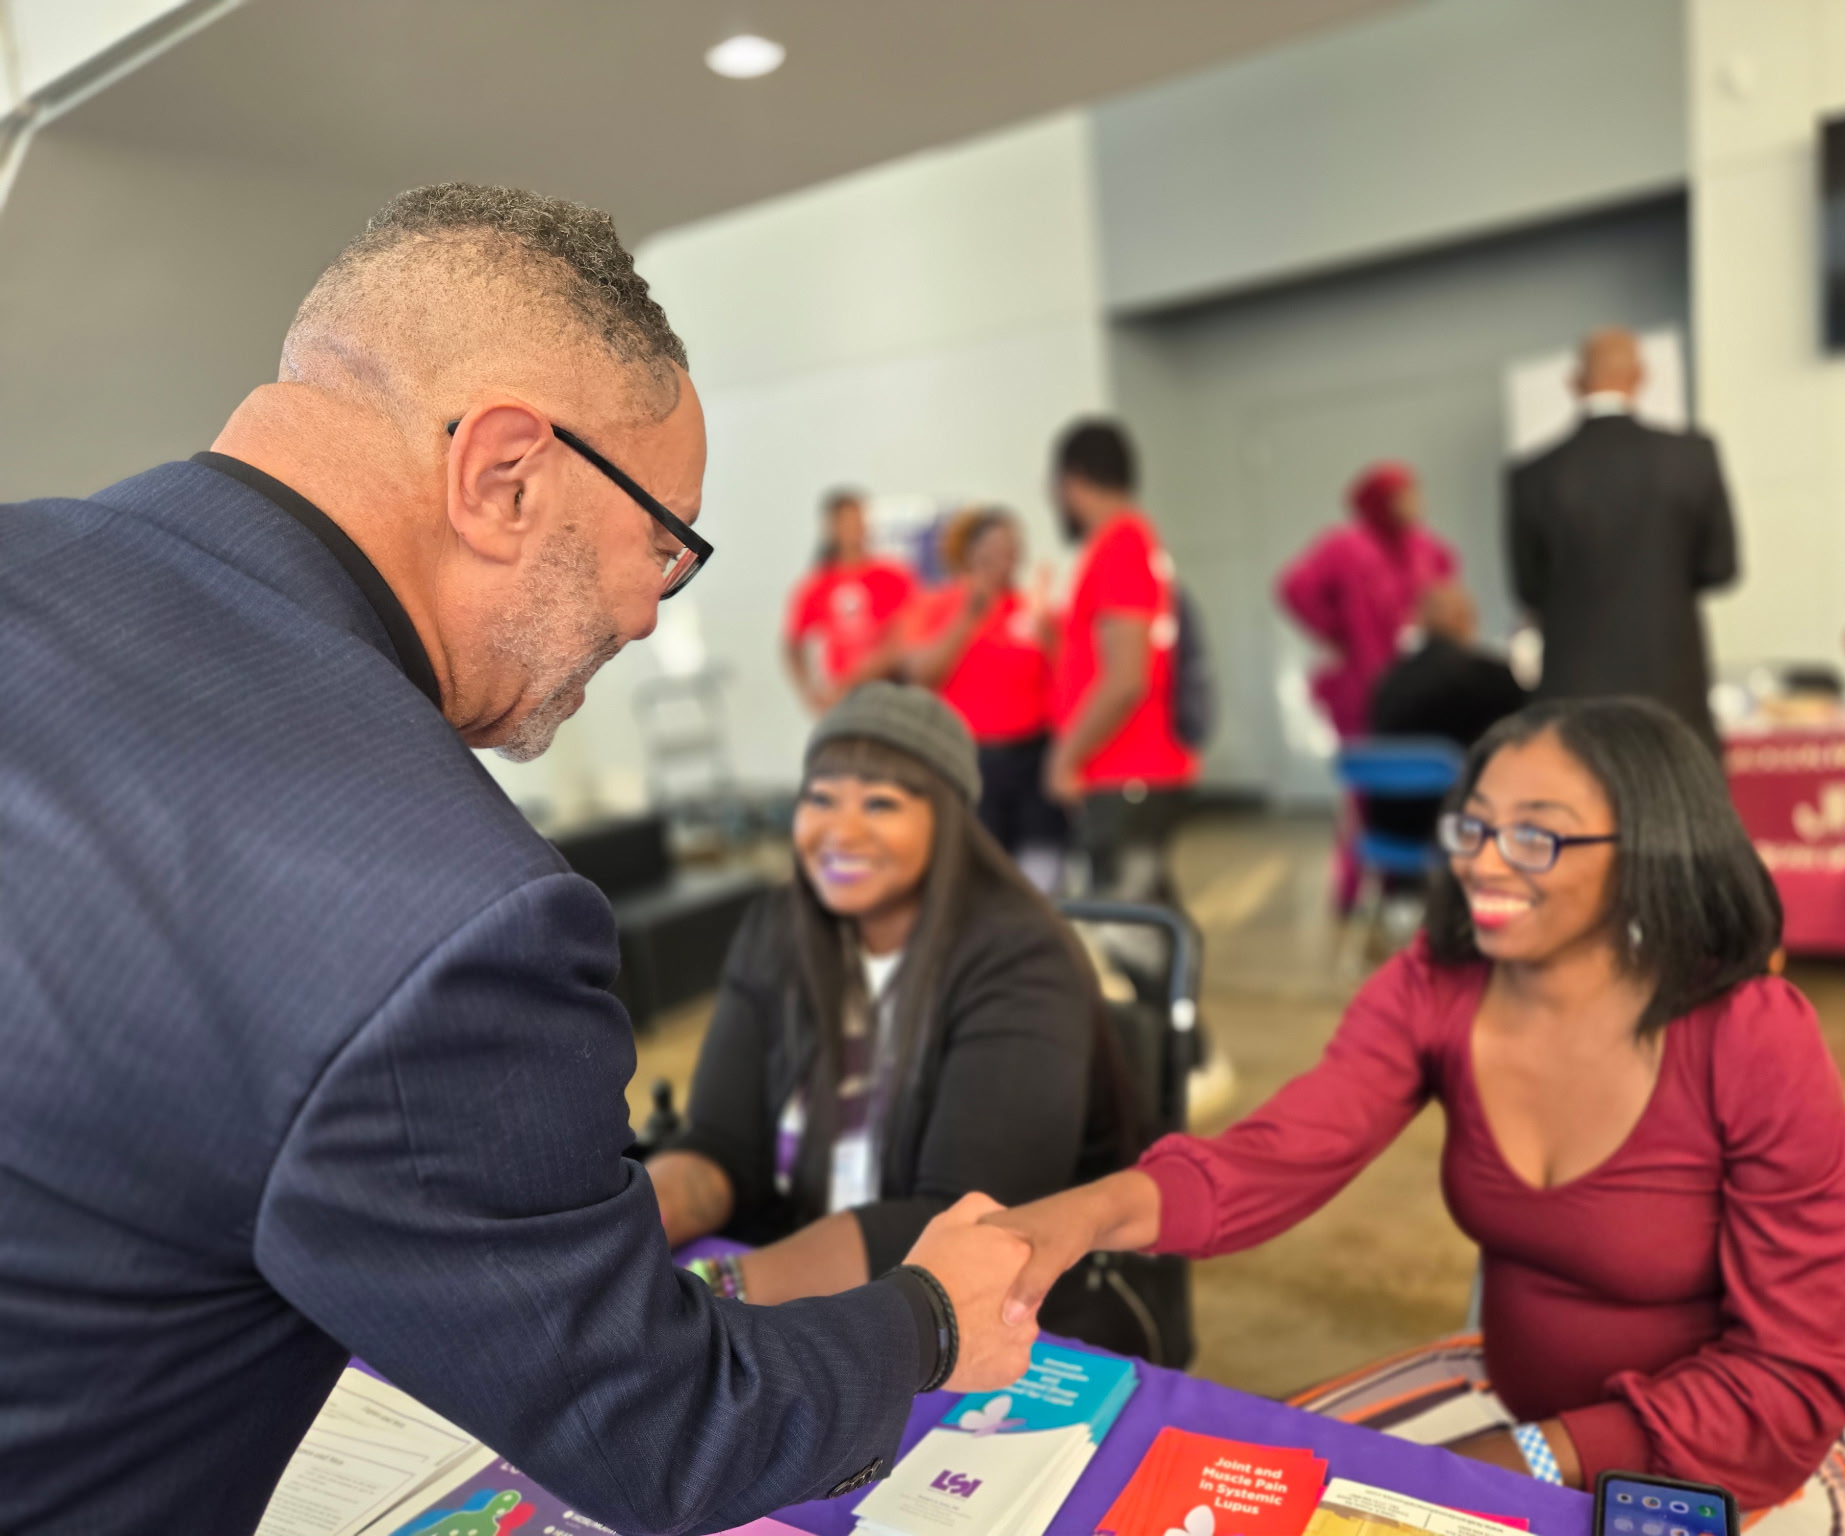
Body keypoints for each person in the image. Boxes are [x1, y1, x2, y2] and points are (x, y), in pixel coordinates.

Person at [0, 184, 1035, 1536]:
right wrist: (924, 1327)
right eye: (663, 545)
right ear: (505, 475)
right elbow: (663, 1431)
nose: (649, 615)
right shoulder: (446, 914)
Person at [985, 699, 1845, 1528]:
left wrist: (1533, 1454)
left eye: (1535, 837)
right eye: (1475, 826)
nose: (1484, 861)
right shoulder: (1437, 985)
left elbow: (1794, 1381)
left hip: (1730, 1452)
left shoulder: (1750, 1037)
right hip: (1509, 1403)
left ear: (1648, 850)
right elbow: (1281, 1156)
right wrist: (1081, 1217)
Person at [643, 683, 1116, 1307]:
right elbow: (721, 1149)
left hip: (981, 1315)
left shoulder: (1023, 961)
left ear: (947, 822)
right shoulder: (777, 931)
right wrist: (617, 1242)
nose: (842, 831)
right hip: (813, 1294)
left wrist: (706, 1296)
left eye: (881, 803)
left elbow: (963, 1221)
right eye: (821, 799)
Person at [1507, 329, 1739, 748]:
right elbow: (1721, 568)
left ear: (1574, 383)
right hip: (1672, 691)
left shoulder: (1532, 475)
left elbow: (1528, 589)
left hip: (1571, 697)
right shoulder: (1692, 457)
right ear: (1640, 377)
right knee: (1676, 807)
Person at [1046, 418, 1198, 903]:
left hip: (1125, 772)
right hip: (1131, 772)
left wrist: (1065, 758)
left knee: (1129, 932)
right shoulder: (1130, 541)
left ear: (1070, 481)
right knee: (1148, 919)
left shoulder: (1121, 545)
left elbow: (1126, 677)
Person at [899, 508, 1065, 885]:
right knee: (977, 865)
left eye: (1011, 548)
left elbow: (1070, 676)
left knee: (1041, 864)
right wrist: (968, 616)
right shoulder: (939, 605)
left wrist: (1049, 634)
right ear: (969, 553)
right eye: (993, 549)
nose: (1004, 558)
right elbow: (920, 672)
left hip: (1033, 757)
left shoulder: (1032, 609)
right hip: (970, 759)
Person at [1277, 460, 1460, 742]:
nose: (1414, 503)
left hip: (1423, 677)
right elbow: (1294, 588)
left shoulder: (1428, 549)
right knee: (1371, 762)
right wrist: (1338, 632)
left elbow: (1449, 600)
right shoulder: (1345, 547)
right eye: (1403, 495)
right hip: (1364, 678)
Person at [1364, 580, 1527, 857]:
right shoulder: (1490, 676)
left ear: (1421, 624)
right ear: (1466, 622)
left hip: (1387, 831)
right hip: (1457, 832)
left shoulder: (1388, 680)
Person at [783, 487, 916, 714]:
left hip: (891, 691)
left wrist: (850, 682)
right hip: (844, 702)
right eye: (846, 521)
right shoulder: (817, 584)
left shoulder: (893, 577)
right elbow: (792, 645)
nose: (855, 528)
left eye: (859, 519)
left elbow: (902, 641)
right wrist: (810, 692)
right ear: (831, 527)